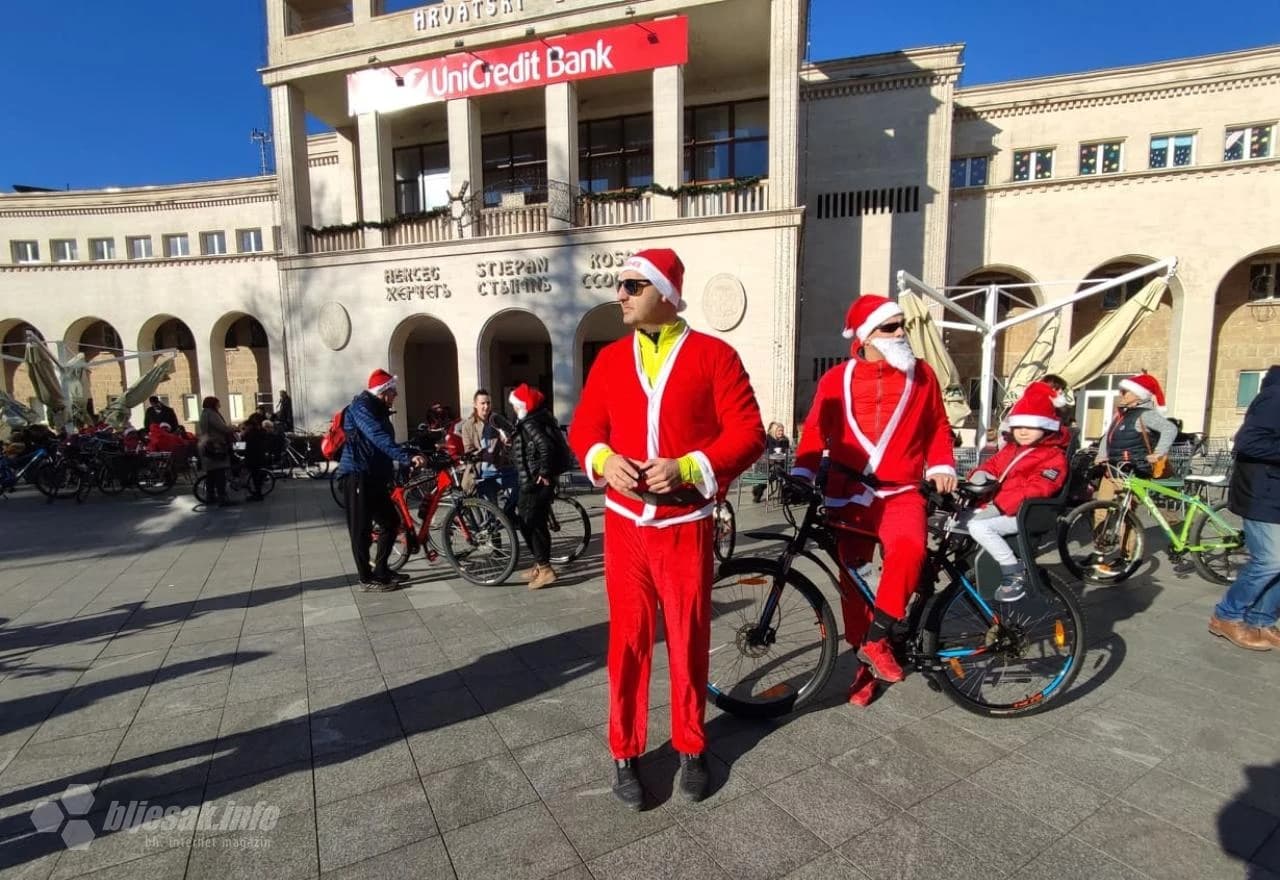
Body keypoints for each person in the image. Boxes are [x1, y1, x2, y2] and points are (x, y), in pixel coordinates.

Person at [569, 247, 764, 809]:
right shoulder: (608, 360)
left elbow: (748, 432)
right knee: (626, 643)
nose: (620, 295)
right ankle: (624, 752)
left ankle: (691, 745)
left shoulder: (714, 356)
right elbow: (584, 431)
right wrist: (604, 460)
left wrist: (687, 466)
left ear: (664, 293)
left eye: (632, 285)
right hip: (626, 526)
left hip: (685, 524)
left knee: (687, 638)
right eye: (620, 285)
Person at [791, 293, 956, 707]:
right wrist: (801, 473)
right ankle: (865, 667)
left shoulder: (923, 377)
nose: (901, 333)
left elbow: (938, 426)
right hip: (849, 498)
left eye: (903, 325)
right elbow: (815, 432)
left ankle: (879, 640)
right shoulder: (835, 381)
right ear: (865, 336)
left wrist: (941, 464)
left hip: (900, 492)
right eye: (890, 327)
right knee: (855, 588)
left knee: (909, 549)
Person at [962, 382, 1069, 602]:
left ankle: (1013, 570)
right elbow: (992, 466)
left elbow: (1038, 488)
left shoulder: (1053, 456)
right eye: (1018, 426)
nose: (1022, 431)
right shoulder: (1011, 449)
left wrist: (999, 505)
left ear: (1047, 426)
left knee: (978, 526)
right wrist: (979, 474)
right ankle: (968, 570)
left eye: (1030, 426)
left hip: (1023, 515)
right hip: (1001, 508)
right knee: (955, 521)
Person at [1209, 365, 1280, 651]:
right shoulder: (1275, 396)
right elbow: (1247, 442)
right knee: (1271, 559)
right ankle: (1226, 615)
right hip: (1263, 493)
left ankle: (1261, 619)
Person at [338, 370, 426, 591]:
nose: (395, 394)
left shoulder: (379, 409)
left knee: (390, 522)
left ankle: (381, 570)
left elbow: (386, 443)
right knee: (361, 530)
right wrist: (405, 457)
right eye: (392, 390)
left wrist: (413, 452)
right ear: (382, 392)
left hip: (375, 476)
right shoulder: (361, 408)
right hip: (357, 475)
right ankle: (366, 579)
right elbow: (378, 437)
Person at [1091, 371, 1178, 572]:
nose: (1121, 394)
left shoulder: (1146, 415)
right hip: (1112, 469)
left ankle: (1126, 556)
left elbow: (1170, 429)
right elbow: (1107, 437)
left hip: (1133, 471)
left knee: (1126, 515)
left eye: (1126, 391)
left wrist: (1158, 453)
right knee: (1100, 511)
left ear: (1140, 394)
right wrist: (1101, 454)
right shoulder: (1121, 414)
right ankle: (1100, 552)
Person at [508, 383, 563, 589]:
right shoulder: (537, 417)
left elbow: (545, 446)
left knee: (530, 522)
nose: (512, 408)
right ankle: (540, 565)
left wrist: (544, 472)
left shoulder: (531, 422)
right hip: (532, 479)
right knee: (533, 521)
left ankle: (545, 568)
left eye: (514, 404)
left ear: (522, 405)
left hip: (534, 481)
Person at [459, 389, 519, 519]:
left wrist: (507, 443)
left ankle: (508, 514)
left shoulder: (497, 419)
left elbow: (511, 436)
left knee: (521, 484)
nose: (486, 406)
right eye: (482, 403)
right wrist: (485, 453)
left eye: (488, 403)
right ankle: (495, 536)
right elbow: (468, 451)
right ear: (475, 405)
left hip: (502, 467)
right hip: (483, 472)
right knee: (491, 513)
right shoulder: (468, 426)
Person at [197, 396, 237, 507]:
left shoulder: (204, 414)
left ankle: (210, 496)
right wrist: (233, 428)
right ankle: (222, 498)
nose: (219, 405)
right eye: (218, 403)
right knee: (220, 473)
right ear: (213, 404)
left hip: (207, 446)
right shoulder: (212, 414)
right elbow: (222, 428)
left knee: (211, 474)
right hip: (216, 447)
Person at [752, 421, 791, 503]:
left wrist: (781, 455)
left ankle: (783, 496)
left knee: (781, 473)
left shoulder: (785, 440)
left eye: (782, 431)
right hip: (766, 463)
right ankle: (759, 489)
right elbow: (762, 452)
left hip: (781, 463)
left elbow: (787, 453)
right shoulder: (767, 439)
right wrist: (769, 457)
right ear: (774, 431)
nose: (781, 432)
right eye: (779, 431)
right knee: (767, 472)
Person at [241, 412, 270, 501]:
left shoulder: (251, 433)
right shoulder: (261, 431)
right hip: (260, 456)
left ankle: (258, 494)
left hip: (253, 457)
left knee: (255, 476)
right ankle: (258, 493)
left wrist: (243, 435)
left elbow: (244, 444)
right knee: (257, 476)